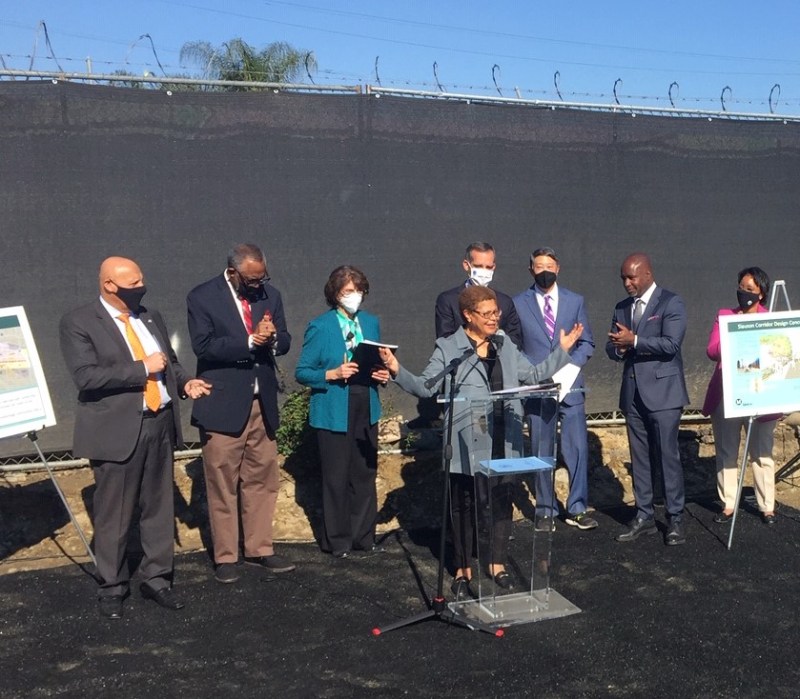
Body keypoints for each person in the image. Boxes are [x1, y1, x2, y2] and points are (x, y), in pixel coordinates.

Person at [379, 285, 582, 599]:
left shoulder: (505, 344)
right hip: (467, 438)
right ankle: (463, 568)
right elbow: (425, 386)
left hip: (505, 437)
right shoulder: (450, 348)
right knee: (464, 504)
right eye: (486, 314)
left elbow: (534, 375)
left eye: (496, 312)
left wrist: (562, 349)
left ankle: (497, 564)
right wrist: (395, 368)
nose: (493, 319)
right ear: (467, 316)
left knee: (501, 501)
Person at [59, 256, 211, 619]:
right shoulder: (79, 322)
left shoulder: (149, 315)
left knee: (159, 508)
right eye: (132, 284)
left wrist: (185, 383)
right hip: (117, 430)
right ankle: (112, 586)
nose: (140, 288)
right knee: (115, 512)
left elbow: (169, 362)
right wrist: (142, 368)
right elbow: (86, 377)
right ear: (109, 285)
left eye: (142, 281)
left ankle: (157, 579)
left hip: (159, 422)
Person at [187, 243, 295, 584]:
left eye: (262, 277)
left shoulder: (270, 294)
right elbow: (203, 346)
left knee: (262, 479)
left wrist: (274, 339)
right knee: (222, 481)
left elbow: (285, 338)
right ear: (233, 273)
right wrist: (250, 341)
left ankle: (260, 548)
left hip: (262, 402)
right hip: (222, 403)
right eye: (251, 279)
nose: (258, 284)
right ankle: (226, 556)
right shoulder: (202, 297)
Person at [295, 266, 391, 558]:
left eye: (359, 291)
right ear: (335, 294)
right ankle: (338, 540)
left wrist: (382, 374)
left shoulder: (371, 323)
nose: (354, 297)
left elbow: (378, 360)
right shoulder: (320, 326)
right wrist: (332, 373)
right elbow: (302, 371)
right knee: (336, 476)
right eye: (348, 291)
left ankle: (364, 536)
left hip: (366, 402)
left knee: (364, 473)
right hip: (334, 405)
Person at [606, 253, 690, 546]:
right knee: (639, 457)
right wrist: (617, 348)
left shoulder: (671, 303)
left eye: (631, 277)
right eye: (623, 278)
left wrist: (635, 341)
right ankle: (643, 516)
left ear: (648, 274)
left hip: (664, 395)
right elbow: (612, 346)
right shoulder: (621, 307)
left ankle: (675, 518)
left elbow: (670, 345)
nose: (627, 283)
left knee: (668, 456)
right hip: (633, 394)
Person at [513, 247, 597, 532]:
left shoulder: (575, 301)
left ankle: (577, 508)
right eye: (539, 266)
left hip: (570, 388)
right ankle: (545, 510)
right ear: (530, 269)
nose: (545, 270)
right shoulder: (518, 303)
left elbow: (587, 343)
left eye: (549, 265)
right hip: (538, 388)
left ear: (558, 268)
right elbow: (515, 346)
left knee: (577, 448)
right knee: (541, 448)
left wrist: (571, 368)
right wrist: (534, 374)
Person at [702, 267, 779, 525]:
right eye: (741, 287)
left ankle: (767, 506)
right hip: (728, 392)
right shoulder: (725, 316)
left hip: (761, 394)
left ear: (762, 294)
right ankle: (728, 504)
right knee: (727, 450)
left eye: (750, 290)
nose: (743, 293)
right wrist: (735, 335)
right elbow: (712, 350)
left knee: (762, 452)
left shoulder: (771, 320)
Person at [435, 241, 522, 346]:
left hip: (496, 360)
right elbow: (445, 340)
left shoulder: (505, 302)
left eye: (488, 267)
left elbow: (515, 340)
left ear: (494, 267)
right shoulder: (448, 300)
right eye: (479, 266)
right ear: (467, 265)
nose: (484, 272)